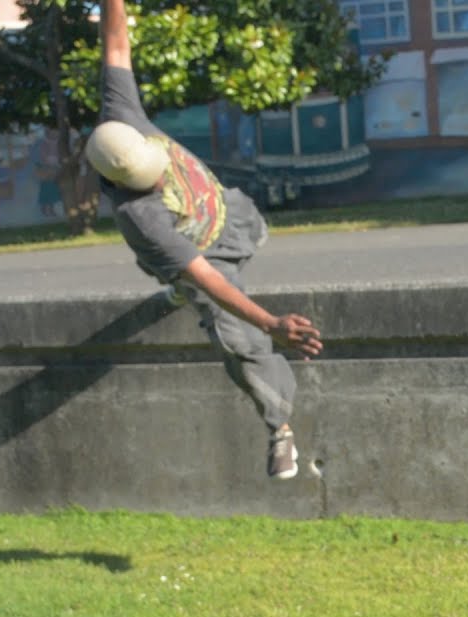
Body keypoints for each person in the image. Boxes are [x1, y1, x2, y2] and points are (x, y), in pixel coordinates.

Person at [85, 0, 323, 480]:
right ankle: (280, 427)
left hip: (232, 215)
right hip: (205, 257)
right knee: (235, 335)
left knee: (236, 231)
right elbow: (208, 278)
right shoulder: (140, 219)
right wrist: (271, 321)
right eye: (148, 181)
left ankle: (173, 282)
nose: (159, 180)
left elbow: (114, 44)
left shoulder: (122, 116)